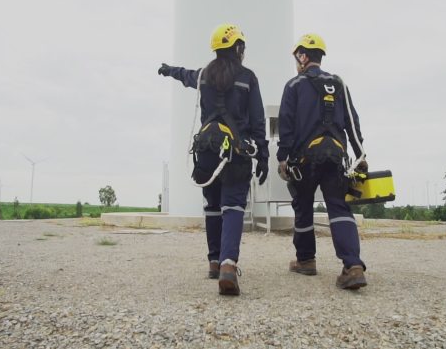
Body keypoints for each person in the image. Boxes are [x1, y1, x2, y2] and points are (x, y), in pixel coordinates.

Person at [157, 23, 269, 296]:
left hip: (207, 151)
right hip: (236, 153)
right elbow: (257, 120)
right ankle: (228, 266)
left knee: (212, 206)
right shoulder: (248, 78)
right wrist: (263, 155)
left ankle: (214, 261)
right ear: (238, 47)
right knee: (232, 207)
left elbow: (186, 75)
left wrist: (169, 70)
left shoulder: (204, 75)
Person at [277, 33, 368, 290]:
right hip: (336, 157)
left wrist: (283, 157)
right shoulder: (339, 83)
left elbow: (286, 126)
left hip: (304, 159)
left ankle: (306, 260)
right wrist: (360, 155)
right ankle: (353, 266)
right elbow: (352, 122)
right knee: (338, 207)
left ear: (302, 56)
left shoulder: (294, 86)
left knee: (303, 206)